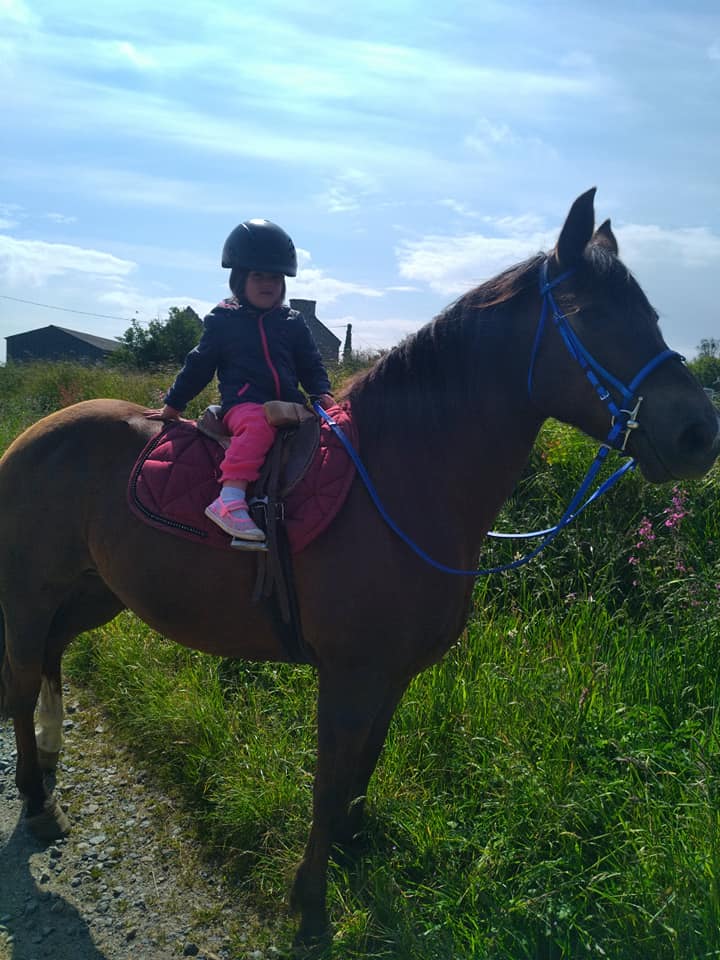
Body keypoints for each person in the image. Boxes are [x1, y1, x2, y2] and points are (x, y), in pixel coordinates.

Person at [152, 219, 334, 545]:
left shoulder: (292, 322)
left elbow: (310, 363)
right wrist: (173, 405)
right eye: (258, 275)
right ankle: (230, 496)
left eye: (276, 277)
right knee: (257, 425)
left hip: (288, 404)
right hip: (244, 404)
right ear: (239, 279)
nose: (269, 284)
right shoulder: (224, 320)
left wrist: (322, 393)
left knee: (322, 436)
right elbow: (199, 364)